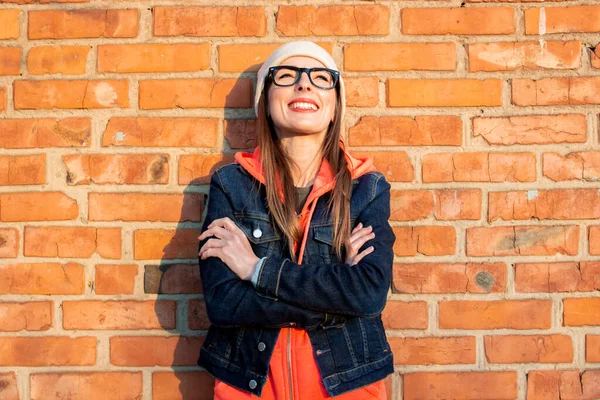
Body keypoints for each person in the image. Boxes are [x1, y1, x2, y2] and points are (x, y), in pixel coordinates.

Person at [197, 41, 395, 399]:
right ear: (265, 101)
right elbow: (224, 303)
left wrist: (257, 271)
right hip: (249, 387)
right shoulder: (230, 185)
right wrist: (335, 301)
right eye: (286, 76)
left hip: (346, 388)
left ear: (335, 105)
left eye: (321, 78)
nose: (304, 85)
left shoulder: (367, 189)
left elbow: (368, 294)